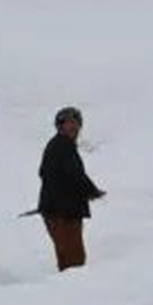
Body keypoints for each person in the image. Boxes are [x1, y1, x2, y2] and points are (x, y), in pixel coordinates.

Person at [37, 106, 105, 272]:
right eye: (69, 123)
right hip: (63, 214)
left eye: (76, 123)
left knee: (67, 261)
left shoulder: (58, 145)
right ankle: (74, 295)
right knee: (74, 263)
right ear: (60, 125)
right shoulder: (63, 145)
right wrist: (91, 191)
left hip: (57, 211)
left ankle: (66, 293)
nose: (74, 127)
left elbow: (48, 173)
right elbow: (74, 174)